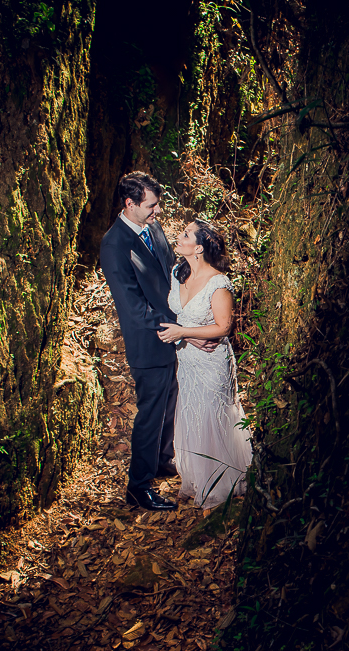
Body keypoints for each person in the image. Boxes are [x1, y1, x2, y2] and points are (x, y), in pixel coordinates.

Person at [99, 172, 193, 511]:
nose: (157, 212)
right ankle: (138, 487)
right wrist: (179, 325)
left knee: (170, 401)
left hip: (173, 332)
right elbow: (133, 306)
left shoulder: (151, 227)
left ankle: (163, 461)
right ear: (130, 204)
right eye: (151, 206)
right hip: (149, 340)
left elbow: (168, 269)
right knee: (150, 414)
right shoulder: (113, 245)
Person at [156, 220, 253, 508]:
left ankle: (220, 484)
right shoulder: (178, 272)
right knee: (191, 413)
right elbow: (177, 315)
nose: (179, 236)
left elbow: (224, 328)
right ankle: (196, 477)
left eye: (185, 234)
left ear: (198, 247)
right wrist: (185, 334)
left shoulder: (218, 282)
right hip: (186, 359)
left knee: (213, 416)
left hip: (212, 362)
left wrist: (185, 332)